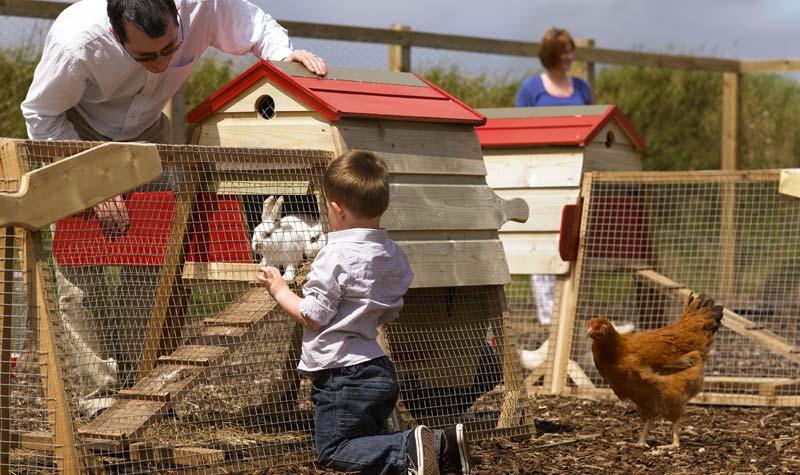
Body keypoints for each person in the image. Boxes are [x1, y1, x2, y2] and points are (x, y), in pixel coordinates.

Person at [19, 0, 327, 392]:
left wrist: (284, 58)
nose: (163, 63)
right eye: (145, 56)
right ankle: (99, 397)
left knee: (153, 265)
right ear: (116, 34)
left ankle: (138, 384)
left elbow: (256, 26)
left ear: (178, 15)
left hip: (149, 135)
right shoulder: (75, 39)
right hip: (79, 136)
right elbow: (41, 114)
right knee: (81, 276)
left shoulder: (203, 5)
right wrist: (89, 180)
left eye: (170, 48)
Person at [259, 150, 472, 474]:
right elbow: (391, 308)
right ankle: (444, 446)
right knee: (369, 443)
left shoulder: (334, 254)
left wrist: (280, 290)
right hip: (378, 368)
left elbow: (314, 314)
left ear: (335, 208)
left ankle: (406, 449)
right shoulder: (391, 253)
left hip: (342, 374)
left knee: (334, 451)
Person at [515, 27, 592, 325]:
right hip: (544, 172)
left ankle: (575, 311)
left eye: (571, 50)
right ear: (549, 54)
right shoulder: (532, 88)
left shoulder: (582, 88)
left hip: (577, 172)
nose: (569, 56)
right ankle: (549, 318)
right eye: (563, 52)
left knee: (577, 239)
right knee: (545, 239)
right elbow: (520, 129)